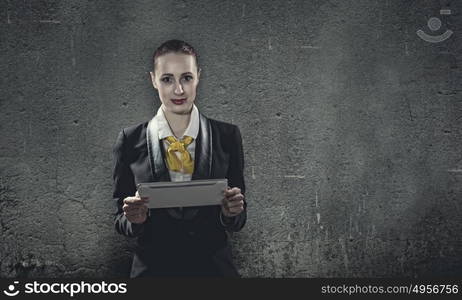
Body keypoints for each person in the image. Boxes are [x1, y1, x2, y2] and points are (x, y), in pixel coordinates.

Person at [112, 39, 247, 277]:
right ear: (153, 80)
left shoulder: (227, 136)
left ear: (198, 77)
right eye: (167, 79)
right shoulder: (130, 140)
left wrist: (232, 213)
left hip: (214, 272)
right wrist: (134, 219)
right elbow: (119, 220)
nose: (179, 90)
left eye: (186, 77)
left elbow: (240, 217)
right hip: (153, 273)